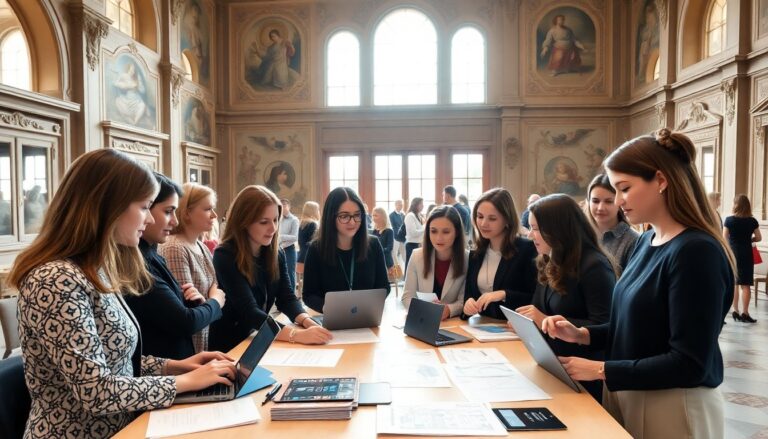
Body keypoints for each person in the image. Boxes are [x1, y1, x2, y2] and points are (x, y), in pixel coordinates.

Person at [9, 149, 236, 438]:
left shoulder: (97, 269)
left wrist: (174, 366)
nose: (150, 219)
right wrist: (186, 382)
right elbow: (95, 390)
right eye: (144, 207)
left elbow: (115, 361)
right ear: (108, 207)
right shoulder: (55, 279)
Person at [542, 129, 735, 439]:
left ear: (661, 180)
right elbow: (636, 324)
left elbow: (690, 361)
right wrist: (583, 335)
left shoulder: (696, 251)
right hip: (629, 391)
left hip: (673, 405)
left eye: (624, 188)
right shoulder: (647, 241)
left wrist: (602, 370)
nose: (618, 201)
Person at [211, 186, 332, 351]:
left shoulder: (275, 253)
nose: (273, 228)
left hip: (259, 337)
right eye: (264, 222)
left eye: (275, 220)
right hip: (231, 344)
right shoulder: (225, 255)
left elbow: (287, 298)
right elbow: (249, 312)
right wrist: (296, 335)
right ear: (243, 221)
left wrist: (307, 321)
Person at [521, 194, 614, 400]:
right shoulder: (550, 258)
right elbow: (538, 308)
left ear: (557, 229)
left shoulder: (594, 266)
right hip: (556, 367)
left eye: (535, 229)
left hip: (585, 377)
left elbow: (606, 327)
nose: (529, 235)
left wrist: (543, 320)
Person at [125, 173, 225, 360]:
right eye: (168, 211)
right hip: (165, 377)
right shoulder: (152, 256)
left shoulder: (151, 254)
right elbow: (184, 322)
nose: (175, 221)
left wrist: (190, 301)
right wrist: (215, 302)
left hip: (177, 368)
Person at [302, 187, 390, 313]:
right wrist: (334, 309)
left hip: (366, 318)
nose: (352, 222)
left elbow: (384, 286)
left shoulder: (373, 244)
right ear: (330, 217)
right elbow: (309, 295)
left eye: (357, 215)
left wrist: (365, 307)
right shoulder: (316, 249)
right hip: (331, 320)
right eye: (344, 216)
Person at [158, 182, 220, 353]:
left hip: (204, 336)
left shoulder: (202, 246)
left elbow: (216, 287)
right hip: (187, 347)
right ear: (187, 213)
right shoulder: (175, 247)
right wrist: (214, 300)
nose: (214, 215)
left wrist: (210, 299)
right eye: (207, 209)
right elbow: (187, 305)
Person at [463, 188, 538, 320]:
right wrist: (468, 304)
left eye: (492, 218)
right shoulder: (476, 252)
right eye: (480, 216)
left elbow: (534, 298)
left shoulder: (527, 249)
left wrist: (504, 294)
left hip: (513, 328)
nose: (483, 223)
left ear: (507, 220)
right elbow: (469, 293)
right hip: (480, 327)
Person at [402, 206, 468, 319]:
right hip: (422, 320)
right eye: (433, 231)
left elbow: (464, 301)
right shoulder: (417, 256)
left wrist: (449, 309)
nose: (439, 238)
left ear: (456, 233)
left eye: (446, 232)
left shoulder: (467, 258)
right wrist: (424, 309)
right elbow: (407, 297)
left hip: (452, 323)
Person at [585, 174, 640, 271]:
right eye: (595, 201)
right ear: (588, 202)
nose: (600, 208)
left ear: (620, 202)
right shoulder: (579, 233)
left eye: (609, 201)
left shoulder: (633, 240)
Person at [724, 194, 762, 323]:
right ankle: (746, 313)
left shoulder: (729, 220)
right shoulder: (752, 221)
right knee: (746, 284)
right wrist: (749, 239)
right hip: (746, 253)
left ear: (736, 205)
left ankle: (735, 311)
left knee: (735, 283)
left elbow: (724, 238)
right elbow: (759, 237)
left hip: (733, 253)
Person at [279, 197, 300, 291]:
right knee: (278, 273)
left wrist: (280, 237)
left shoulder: (294, 220)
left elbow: (295, 237)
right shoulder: (277, 218)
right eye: (280, 205)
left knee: (290, 273)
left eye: (284, 205)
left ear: (289, 207)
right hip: (278, 248)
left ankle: (292, 295)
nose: (282, 207)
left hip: (289, 249)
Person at [297, 201, 320, 271]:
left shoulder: (302, 223)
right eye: (318, 209)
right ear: (313, 211)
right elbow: (315, 243)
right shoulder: (312, 224)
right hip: (311, 256)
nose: (319, 211)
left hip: (301, 255)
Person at [404, 197, 425, 269]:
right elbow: (414, 233)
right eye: (421, 204)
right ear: (415, 205)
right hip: (412, 245)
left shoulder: (419, 215)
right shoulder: (410, 215)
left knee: (419, 268)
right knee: (411, 268)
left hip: (419, 244)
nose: (423, 206)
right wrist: (425, 228)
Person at [390, 199, 406, 267]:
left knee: (404, 253)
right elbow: (393, 226)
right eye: (400, 205)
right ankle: (397, 269)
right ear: (395, 205)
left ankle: (407, 268)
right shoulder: (391, 215)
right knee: (394, 253)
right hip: (395, 237)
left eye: (402, 205)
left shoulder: (403, 214)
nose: (401, 206)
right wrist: (397, 234)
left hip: (403, 237)